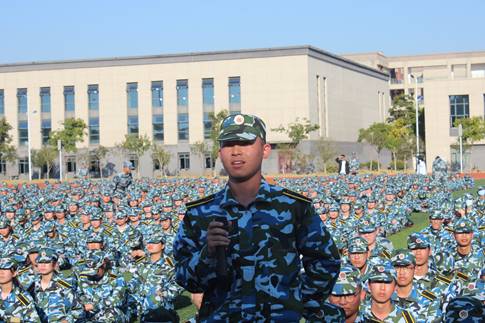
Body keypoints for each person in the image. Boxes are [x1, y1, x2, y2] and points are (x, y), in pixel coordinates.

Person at [174, 114, 341, 322]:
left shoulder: (293, 207)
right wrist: (207, 254)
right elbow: (184, 278)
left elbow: (326, 262)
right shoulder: (200, 213)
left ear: (265, 150)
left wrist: (295, 304)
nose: (236, 151)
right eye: (228, 144)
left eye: (245, 143)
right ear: (219, 153)